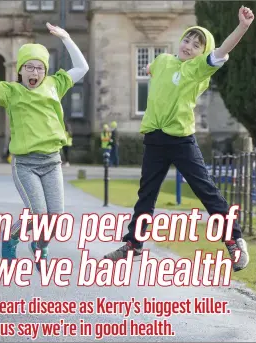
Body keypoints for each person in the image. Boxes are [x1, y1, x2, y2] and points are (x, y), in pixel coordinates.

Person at [104, 7, 253, 272]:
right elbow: (154, 69)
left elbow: (220, 52)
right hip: (154, 139)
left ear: (200, 52)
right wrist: (149, 67)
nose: (189, 46)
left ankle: (234, 239)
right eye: (187, 40)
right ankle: (133, 245)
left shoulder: (198, 69)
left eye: (197, 45)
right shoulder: (162, 61)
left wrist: (242, 27)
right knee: (145, 195)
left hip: (181, 140)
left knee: (205, 189)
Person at [0, 24, 89, 271]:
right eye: (29, 67)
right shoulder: (11, 92)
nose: (34, 72)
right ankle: (12, 236)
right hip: (25, 164)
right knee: (39, 214)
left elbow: (82, 67)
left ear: (45, 72)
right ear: (20, 70)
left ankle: (38, 245)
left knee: (54, 219)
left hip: (52, 161)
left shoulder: (55, 85)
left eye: (39, 68)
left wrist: (67, 37)